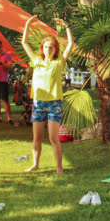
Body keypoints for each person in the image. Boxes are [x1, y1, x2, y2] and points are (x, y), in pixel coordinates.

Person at [21, 16, 73, 174]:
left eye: (51, 47)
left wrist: (67, 26)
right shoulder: (36, 61)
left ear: (55, 49)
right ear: (42, 49)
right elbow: (25, 43)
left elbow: (70, 44)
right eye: (45, 47)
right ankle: (35, 164)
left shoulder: (59, 63)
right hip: (38, 104)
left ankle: (59, 167)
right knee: (36, 138)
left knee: (53, 138)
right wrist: (28, 24)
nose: (48, 49)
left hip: (54, 104)